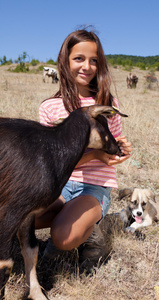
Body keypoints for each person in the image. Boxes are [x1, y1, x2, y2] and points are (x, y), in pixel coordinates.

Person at [35, 28, 132, 252]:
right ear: (65, 61)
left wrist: (122, 150)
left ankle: (92, 235)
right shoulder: (50, 107)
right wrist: (96, 154)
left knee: (63, 238)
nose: (86, 66)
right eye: (79, 58)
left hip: (94, 187)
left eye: (93, 60)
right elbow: (51, 162)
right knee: (19, 214)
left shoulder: (108, 104)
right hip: (59, 184)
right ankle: (73, 218)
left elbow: (113, 148)